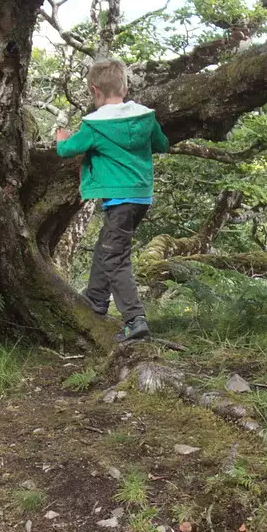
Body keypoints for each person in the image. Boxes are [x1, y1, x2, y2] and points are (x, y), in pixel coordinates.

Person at [55, 58, 169, 342]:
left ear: (95, 90)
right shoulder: (145, 117)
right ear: (126, 86)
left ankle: (135, 319)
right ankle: (95, 298)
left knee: (116, 258)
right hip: (141, 196)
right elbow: (162, 144)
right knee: (107, 247)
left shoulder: (95, 126)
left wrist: (61, 137)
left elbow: (68, 150)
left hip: (118, 199)